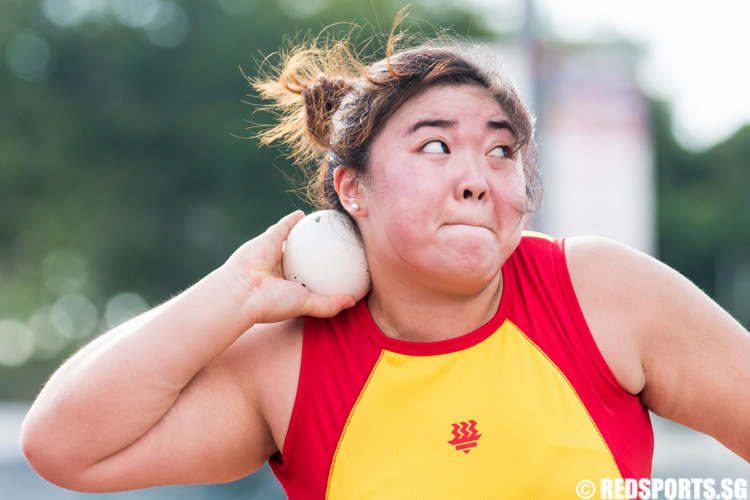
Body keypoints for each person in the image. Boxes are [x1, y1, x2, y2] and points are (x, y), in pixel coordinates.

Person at [20, 22, 750, 499]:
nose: (476, 176)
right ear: (351, 189)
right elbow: (64, 447)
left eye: (501, 151)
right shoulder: (290, 366)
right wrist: (236, 292)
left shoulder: (602, 293)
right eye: (436, 146)